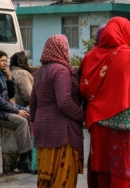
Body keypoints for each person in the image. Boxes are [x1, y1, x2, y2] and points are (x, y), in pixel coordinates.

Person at [80, 17, 130, 188]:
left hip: (99, 127)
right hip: (127, 129)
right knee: (124, 174)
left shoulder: (91, 57)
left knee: (102, 173)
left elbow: (83, 90)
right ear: (126, 33)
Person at [30, 35, 86, 188]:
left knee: (46, 177)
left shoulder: (41, 70)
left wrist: (34, 125)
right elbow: (64, 101)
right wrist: (83, 117)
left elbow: (33, 102)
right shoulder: (61, 70)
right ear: (63, 49)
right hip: (62, 133)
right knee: (62, 178)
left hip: (43, 133)